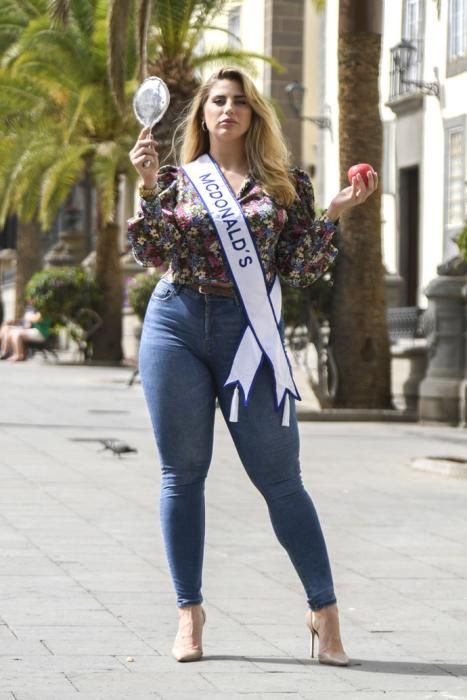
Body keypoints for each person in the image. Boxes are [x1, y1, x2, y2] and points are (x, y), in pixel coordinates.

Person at [128, 66, 377, 665]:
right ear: (202, 114)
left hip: (250, 336)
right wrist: (143, 187)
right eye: (217, 101)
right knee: (181, 474)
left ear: (254, 114)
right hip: (175, 322)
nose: (227, 109)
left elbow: (301, 268)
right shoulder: (175, 179)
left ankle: (325, 612)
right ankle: (189, 613)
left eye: (239, 101)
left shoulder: (286, 184)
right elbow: (151, 251)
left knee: (281, 479)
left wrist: (337, 210)